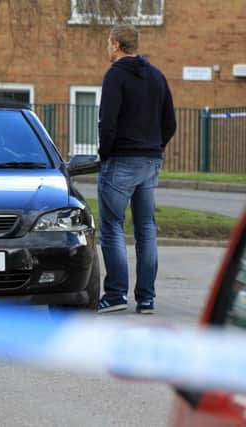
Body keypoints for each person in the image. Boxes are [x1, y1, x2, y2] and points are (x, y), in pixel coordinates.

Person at [96, 25, 177, 314]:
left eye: (108, 43)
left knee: (112, 227)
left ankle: (116, 294)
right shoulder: (157, 76)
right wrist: (155, 148)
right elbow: (171, 122)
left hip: (121, 160)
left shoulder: (115, 76)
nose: (108, 47)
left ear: (116, 44)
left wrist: (106, 154)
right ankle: (146, 298)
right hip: (150, 161)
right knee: (146, 229)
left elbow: (107, 122)